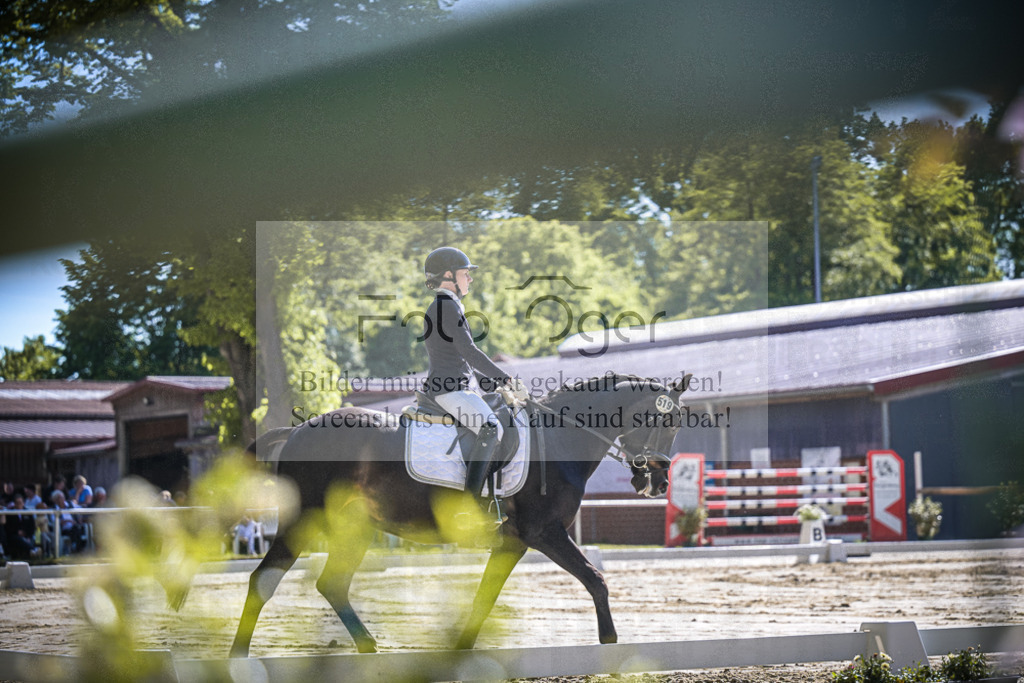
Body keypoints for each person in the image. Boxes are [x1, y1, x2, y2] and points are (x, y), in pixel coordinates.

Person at [421, 247, 528, 517]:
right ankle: (470, 505)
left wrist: (496, 386)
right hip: (448, 390)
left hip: (455, 387)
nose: (470, 278)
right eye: (465, 273)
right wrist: (506, 378)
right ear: (448, 275)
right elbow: (470, 352)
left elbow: (462, 361)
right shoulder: (445, 307)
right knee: (490, 428)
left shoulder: (447, 306)